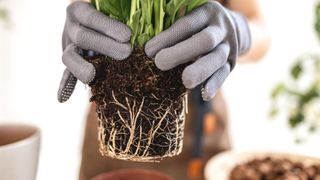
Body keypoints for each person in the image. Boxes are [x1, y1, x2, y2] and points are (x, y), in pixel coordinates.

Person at [57, 0, 270, 179]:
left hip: (198, 123)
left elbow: (260, 28)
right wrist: (80, 27)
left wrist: (238, 29)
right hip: (114, 115)